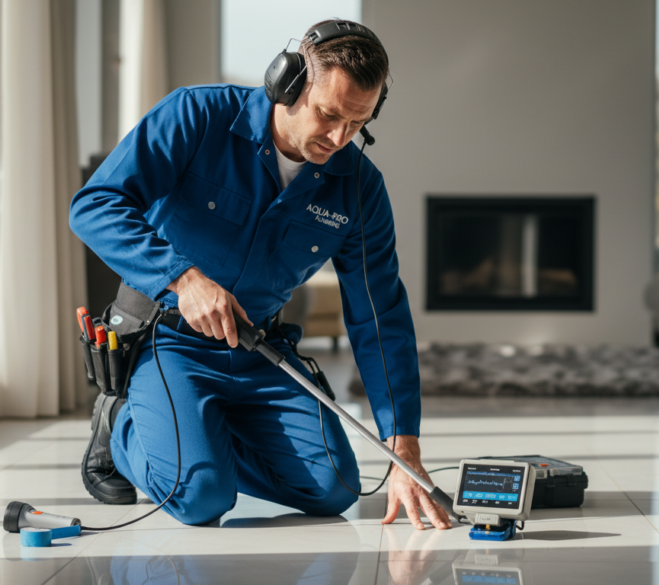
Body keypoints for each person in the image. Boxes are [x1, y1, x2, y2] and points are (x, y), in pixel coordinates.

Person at [69, 20, 450, 531]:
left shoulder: (359, 189)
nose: (339, 138)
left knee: (334, 489)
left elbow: (379, 315)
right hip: (168, 340)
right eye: (328, 114)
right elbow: (95, 205)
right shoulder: (197, 115)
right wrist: (182, 279)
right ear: (287, 83)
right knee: (203, 498)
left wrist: (403, 448)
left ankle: (201, 438)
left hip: (258, 350)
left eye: (357, 124)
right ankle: (122, 424)